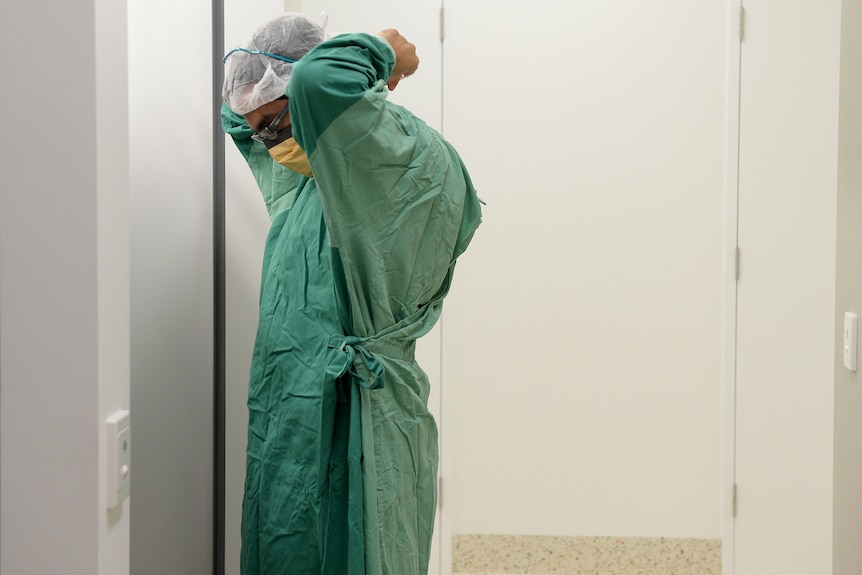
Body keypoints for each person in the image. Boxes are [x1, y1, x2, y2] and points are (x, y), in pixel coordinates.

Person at [222, 12, 482, 575]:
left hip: (360, 417)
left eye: (276, 121)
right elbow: (238, 115)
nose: (267, 140)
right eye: (260, 128)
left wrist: (383, 53)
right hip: (290, 409)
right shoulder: (308, 177)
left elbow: (319, 83)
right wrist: (268, 96)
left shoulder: (393, 159)